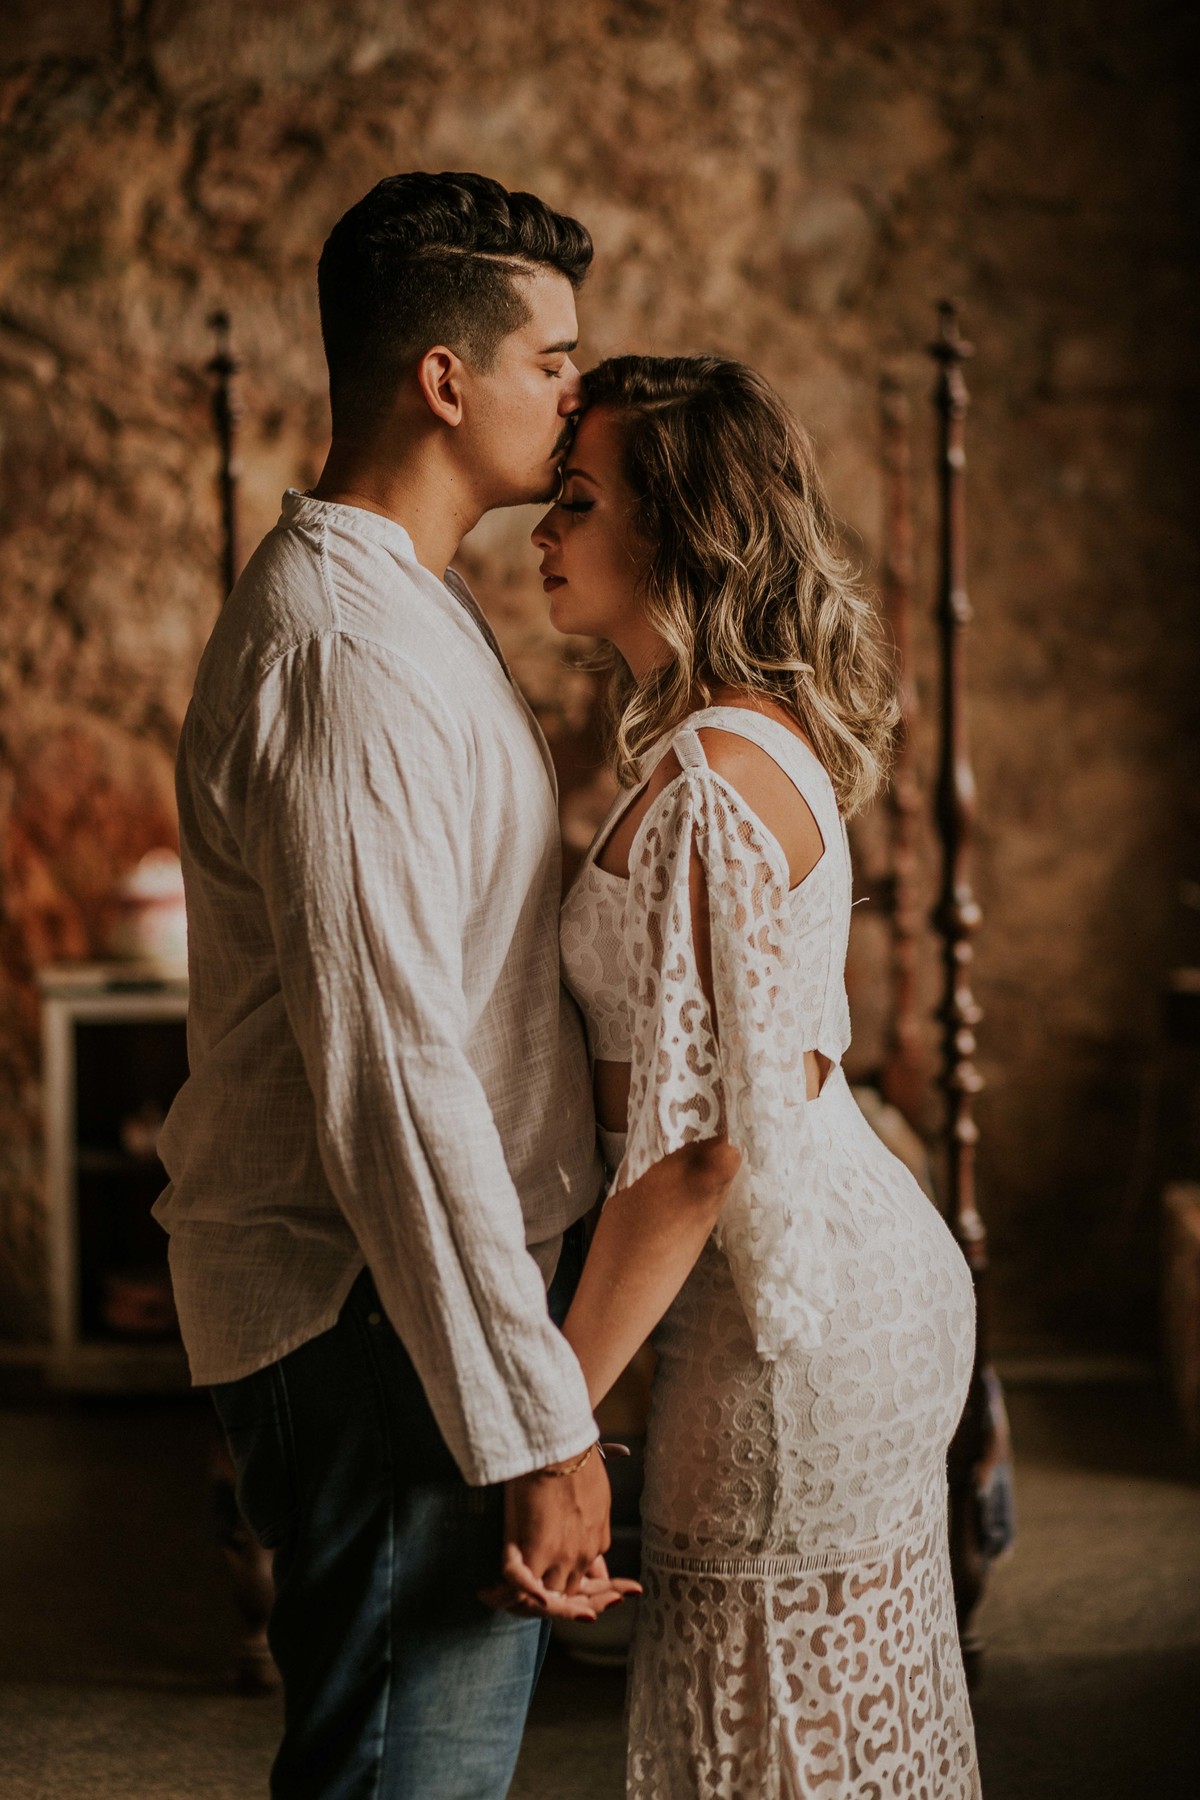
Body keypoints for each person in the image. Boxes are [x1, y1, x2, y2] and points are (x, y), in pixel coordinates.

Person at [153, 171, 636, 1800]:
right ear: (446, 379)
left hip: (411, 1311)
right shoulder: (343, 653)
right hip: (375, 1321)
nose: (578, 393)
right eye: (552, 358)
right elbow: (392, 1083)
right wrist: (537, 1422)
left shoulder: (403, 606)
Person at [537, 355, 982, 1797]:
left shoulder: (709, 786)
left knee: (768, 1755)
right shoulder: (737, 731)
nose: (541, 529)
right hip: (837, 1286)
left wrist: (551, 1431)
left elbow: (695, 1154)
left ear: (671, 528)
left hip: (792, 1336)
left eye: (577, 499)